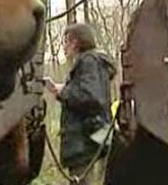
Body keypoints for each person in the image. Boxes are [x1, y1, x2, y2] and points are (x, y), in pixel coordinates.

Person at [44, 23, 116, 185]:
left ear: (75, 42)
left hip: (86, 143)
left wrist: (62, 93)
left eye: (65, 41)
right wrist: (63, 89)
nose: (63, 47)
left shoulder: (88, 61)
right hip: (91, 141)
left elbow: (91, 97)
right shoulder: (91, 63)